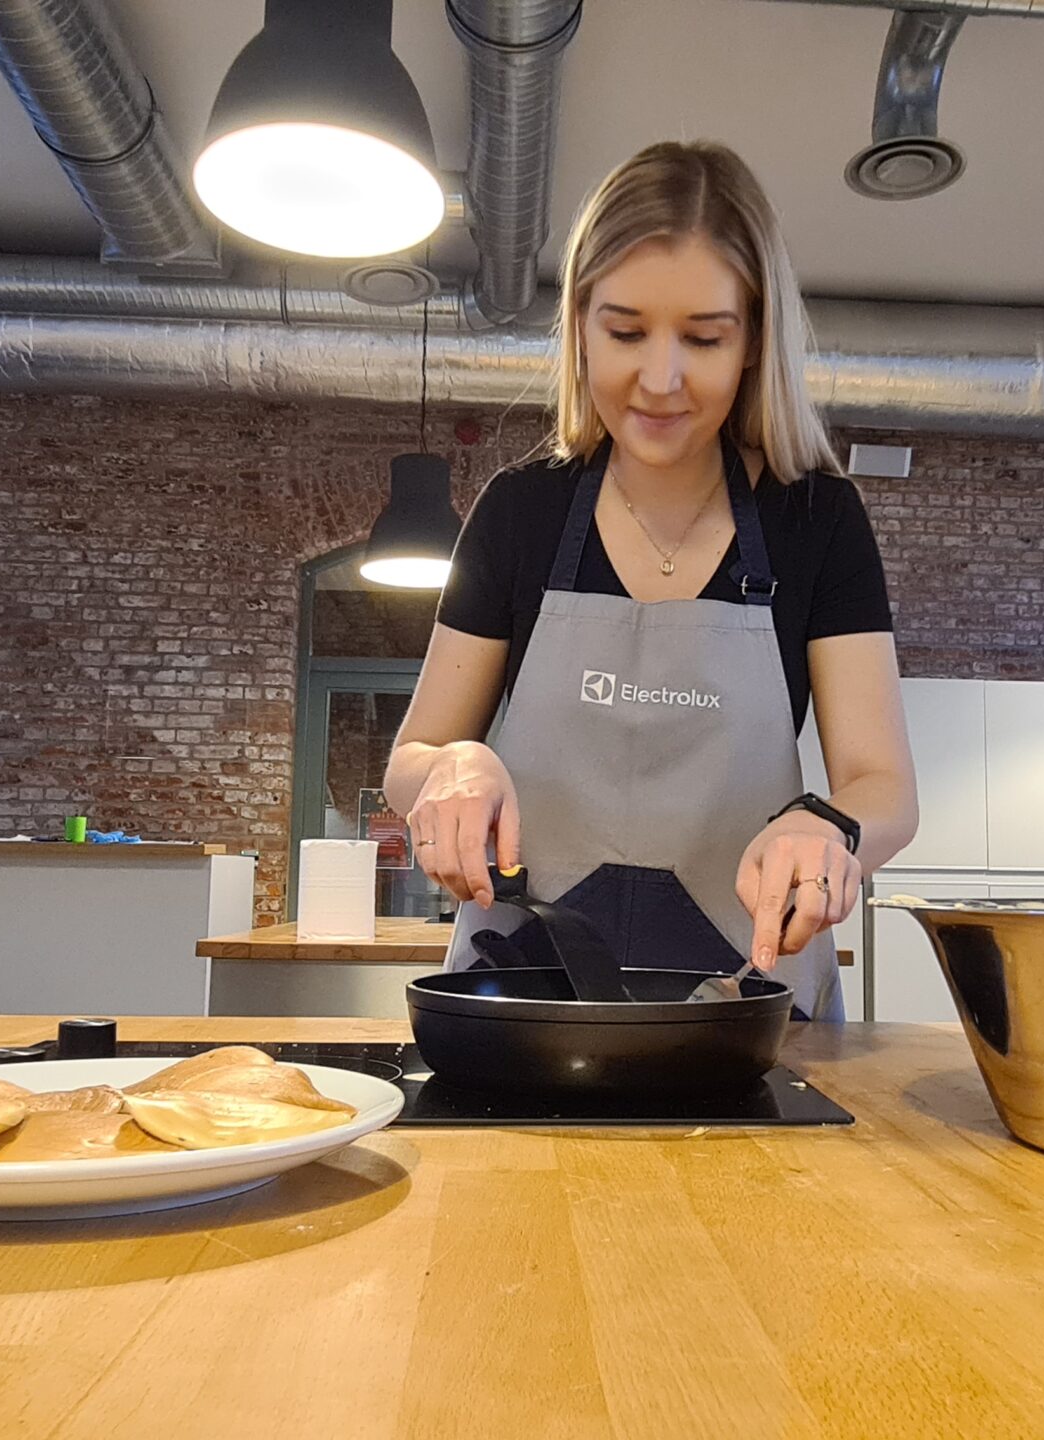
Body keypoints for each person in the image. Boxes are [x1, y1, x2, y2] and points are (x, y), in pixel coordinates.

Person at [384, 141, 918, 1022]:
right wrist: (452, 767)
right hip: (523, 1007)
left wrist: (828, 825)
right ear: (580, 324)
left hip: (746, 1011)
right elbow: (412, 761)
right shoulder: (519, 512)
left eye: (703, 338)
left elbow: (883, 785)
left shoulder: (817, 521)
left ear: (753, 341)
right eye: (626, 332)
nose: (660, 380)